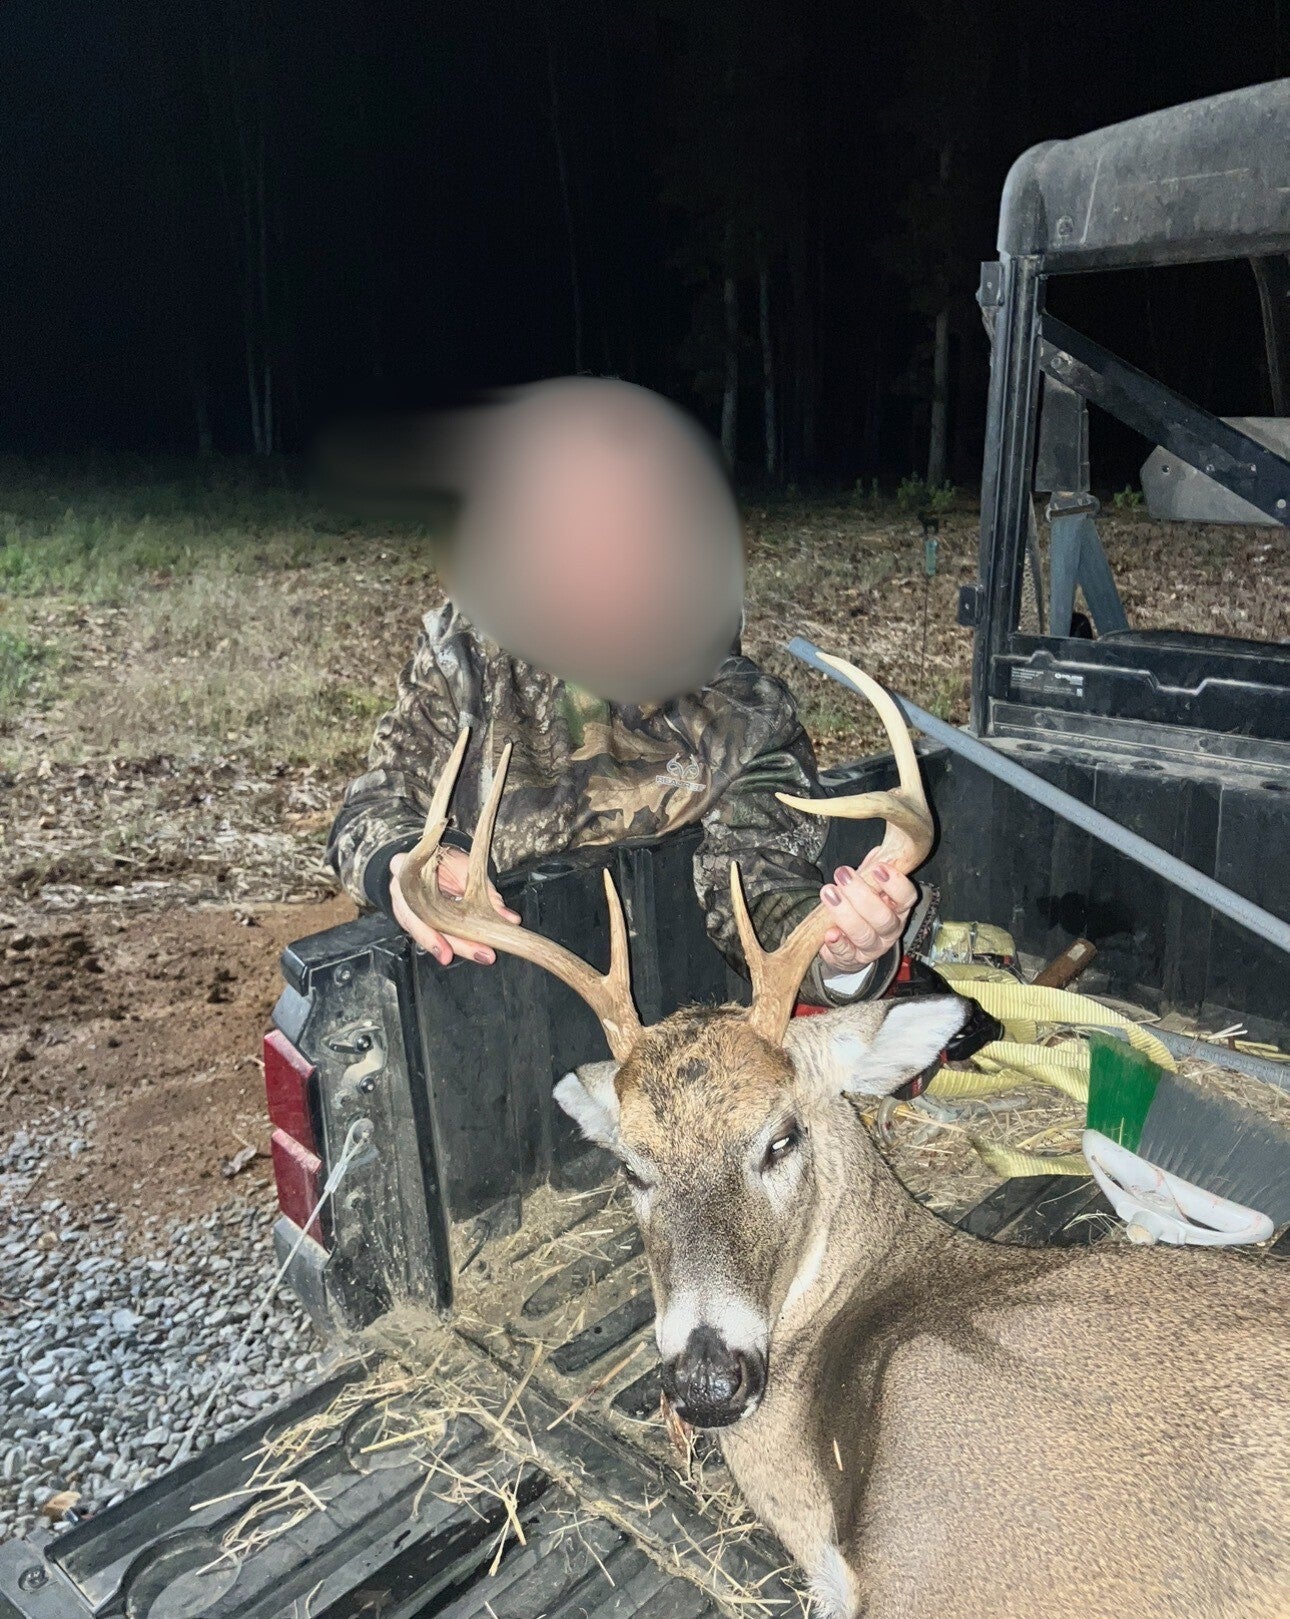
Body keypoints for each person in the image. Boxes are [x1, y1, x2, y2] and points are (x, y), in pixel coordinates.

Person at [325, 379, 932, 1007]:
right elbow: (372, 810)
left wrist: (839, 949)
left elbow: (762, 890)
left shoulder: (741, 716)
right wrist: (411, 863)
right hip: (480, 1001)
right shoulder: (469, 658)